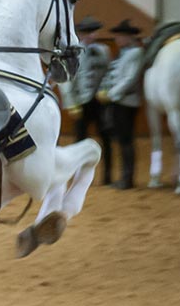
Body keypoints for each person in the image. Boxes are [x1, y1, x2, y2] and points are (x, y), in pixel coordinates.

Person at [97, 19, 144, 190]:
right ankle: (125, 177)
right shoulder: (124, 52)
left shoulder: (136, 53)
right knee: (123, 139)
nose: (116, 39)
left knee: (126, 140)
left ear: (128, 37)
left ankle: (127, 178)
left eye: (119, 36)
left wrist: (111, 94)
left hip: (126, 102)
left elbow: (130, 79)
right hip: (118, 101)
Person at [59, 16, 109, 144]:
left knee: (105, 134)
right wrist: (71, 103)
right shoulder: (73, 52)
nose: (90, 36)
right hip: (81, 100)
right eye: (86, 32)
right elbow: (67, 80)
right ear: (80, 34)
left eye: (93, 32)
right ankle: (79, 164)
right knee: (80, 135)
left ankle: (109, 164)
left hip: (99, 100)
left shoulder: (104, 50)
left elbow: (107, 72)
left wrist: (105, 89)